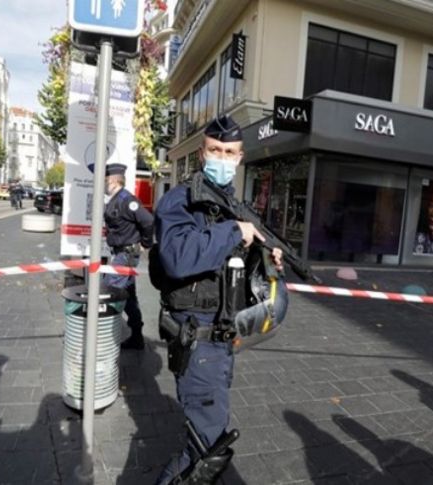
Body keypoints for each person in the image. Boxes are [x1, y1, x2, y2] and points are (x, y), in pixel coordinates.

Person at [153, 115, 283, 484]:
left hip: (221, 340)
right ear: (201, 152)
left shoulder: (229, 203)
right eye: (215, 150)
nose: (222, 158)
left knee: (208, 436)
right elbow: (177, 257)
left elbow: (234, 263)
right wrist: (232, 231)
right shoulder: (183, 200)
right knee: (205, 450)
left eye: (230, 152)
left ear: (240, 158)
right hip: (198, 339)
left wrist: (267, 257)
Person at [102, 163, 154, 350]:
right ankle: (137, 337)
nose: (102, 183)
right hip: (121, 253)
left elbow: (148, 220)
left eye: (105, 180)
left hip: (126, 255)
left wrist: (146, 243)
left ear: (114, 180)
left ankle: (104, 341)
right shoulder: (116, 199)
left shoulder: (127, 200)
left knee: (108, 292)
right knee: (129, 298)